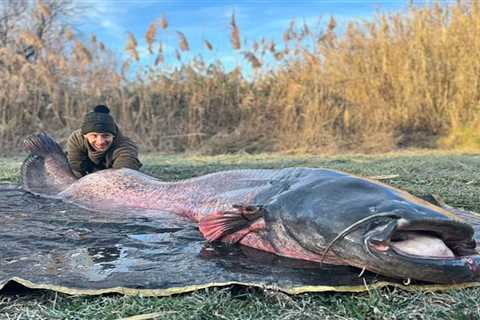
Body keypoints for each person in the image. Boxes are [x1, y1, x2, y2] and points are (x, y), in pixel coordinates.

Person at [66, 104, 142, 178]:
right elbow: (76, 168)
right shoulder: (76, 139)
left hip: (113, 178)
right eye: (94, 136)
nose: (100, 142)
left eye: (106, 135)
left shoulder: (126, 148)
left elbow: (123, 177)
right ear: (85, 136)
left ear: (113, 135)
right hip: (88, 175)